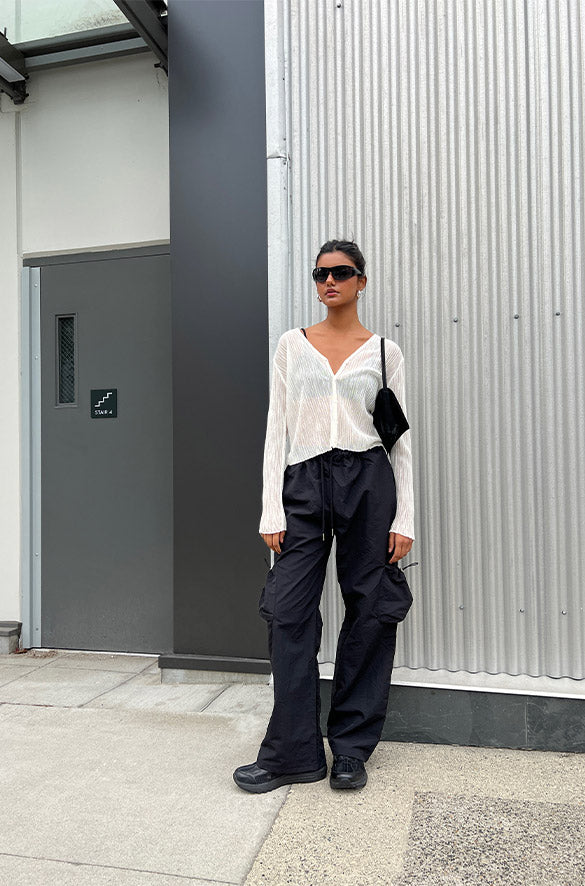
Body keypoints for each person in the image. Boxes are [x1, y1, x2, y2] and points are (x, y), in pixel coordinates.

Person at [233, 239, 414, 793]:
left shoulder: (383, 353)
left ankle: (352, 749)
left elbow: (399, 442)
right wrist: (271, 506)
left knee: (371, 611)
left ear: (362, 281)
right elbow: (276, 428)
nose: (329, 281)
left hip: (367, 482)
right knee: (288, 613)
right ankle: (293, 754)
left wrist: (405, 517)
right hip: (304, 485)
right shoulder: (293, 345)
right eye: (320, 274)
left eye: (340, 272)